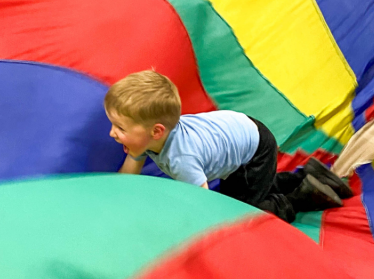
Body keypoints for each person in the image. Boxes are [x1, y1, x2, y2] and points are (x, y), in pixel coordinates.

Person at [103, 70, 352, 223]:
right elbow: (126, 180)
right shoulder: (149, 140)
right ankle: (307, 176)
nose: (112, 133)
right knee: (248, 188)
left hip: (253, 152)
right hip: (241, 135)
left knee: (238, 212)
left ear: (156, 131)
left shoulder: (182, 159)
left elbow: (201, 205)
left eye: (120, 128)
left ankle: (302, 197)